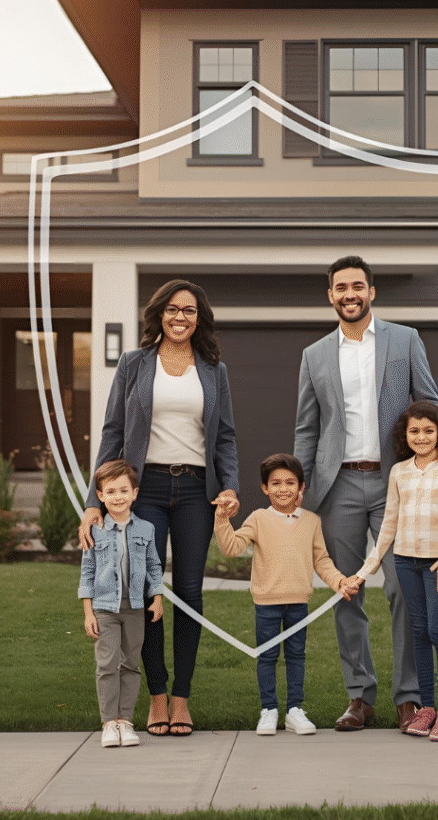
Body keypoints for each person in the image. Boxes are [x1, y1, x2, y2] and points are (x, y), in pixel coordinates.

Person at [293, 254, 438, 733]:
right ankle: (359, 696)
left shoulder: (404, 340)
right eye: (340, 287)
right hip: (338, 486)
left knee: (403, 591)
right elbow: (307, 429)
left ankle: (410, 698)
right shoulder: (315, 356)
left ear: (372, 291)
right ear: (330, 295)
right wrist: (298, 492)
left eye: (358, 286)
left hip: (399, 484)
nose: (350, 294)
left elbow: (428, 400)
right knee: (348, 590)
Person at [79, 280, 239, 737]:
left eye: (189, 310)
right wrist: (96, 502)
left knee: (189, 593)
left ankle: (182, 699)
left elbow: (224, 436)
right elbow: (112, 432)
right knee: (141, 592)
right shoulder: (133, 364)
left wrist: (230, 487)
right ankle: (154, 697)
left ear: (198, 318)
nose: (180, 317)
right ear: (159, 315)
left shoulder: (213, 370)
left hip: (194, 493)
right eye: (172, 309)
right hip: (142, 490)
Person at [214, 453, 358, 737]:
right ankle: (269, 709)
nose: (283, 489)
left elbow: (322, 561)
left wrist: (339, 581)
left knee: (296, 656)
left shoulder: (311, 522)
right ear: (265, 487)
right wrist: (221, 520)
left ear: (301, 487)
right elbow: (231, 548)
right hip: (267, 604)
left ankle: (294, 710)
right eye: (275, 483)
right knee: (267, 657)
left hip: (299, 604)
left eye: (290, 483)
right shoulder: (258, 519)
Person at [345, 402, 438, 741]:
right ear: (405, 435)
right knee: (420, 633)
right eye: (415, 431)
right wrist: (365, 570)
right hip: (405, 563)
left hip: (436, 565)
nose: (422, 437)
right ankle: (425, 708)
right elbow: (389, 525)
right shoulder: (399, 472)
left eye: (429, 430)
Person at [78, 460, 165, 748]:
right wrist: (88, 612)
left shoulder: (147, 528)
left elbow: (154, 566)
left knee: (130, 664)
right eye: (111, 491)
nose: (118, 496)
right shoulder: (96, 529)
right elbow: (87, 572)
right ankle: (108, 723)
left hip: (136, 607)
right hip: (105, 608)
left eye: (123, 490)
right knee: (106, 664)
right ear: (100, 496)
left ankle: (125, 721)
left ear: (135, 493)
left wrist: (157, 598)